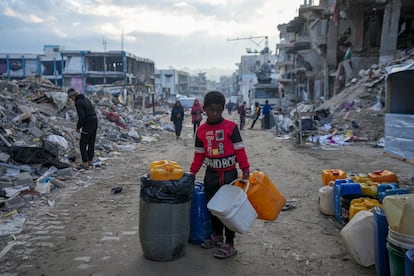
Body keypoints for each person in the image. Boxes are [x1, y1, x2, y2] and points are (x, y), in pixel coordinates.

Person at [189, 91, 250, 259]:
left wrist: (245, 169)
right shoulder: (201, 131)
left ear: (223, 109)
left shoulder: (231, 127)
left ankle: (230, 243)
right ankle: (217, 236)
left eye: (218, 110)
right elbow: (199, 155)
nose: (215, 114)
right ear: (204, 109)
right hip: (211, 175)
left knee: (228, 210)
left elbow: (239, 150)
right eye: (211, 110)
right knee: (213, 208)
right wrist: (192, 173)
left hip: (229, 175)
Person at [67, 88, 98, 169]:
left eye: (71, 98)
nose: (71, 100)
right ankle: (90, 161)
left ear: (73, 96)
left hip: (88, 124)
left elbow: (82, 117)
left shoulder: (78, 102)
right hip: (95, 121)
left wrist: (78, 127)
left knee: (82, 144)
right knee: (91, 142)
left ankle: (85, 163)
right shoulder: (86, 99)